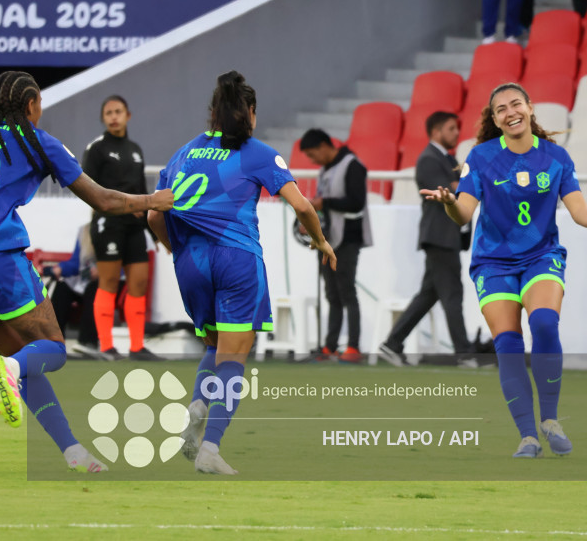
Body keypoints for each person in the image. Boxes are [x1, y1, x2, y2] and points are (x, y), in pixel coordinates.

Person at [0, 70, 174, 473]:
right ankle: (12, 371)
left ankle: (73, 451)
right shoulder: (39, 141)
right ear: (32, 103)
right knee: (51, 350)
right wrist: (154, 199)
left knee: (19, 356)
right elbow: (105, 201)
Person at [420, 82, 587, 459]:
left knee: (545, 324)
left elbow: (578, 209)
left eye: (516, 104)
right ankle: (528, 436)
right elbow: (464, 213)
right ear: (496, 120)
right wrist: (449, 203)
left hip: (541, 256)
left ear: (530, 108)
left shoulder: (556, 158)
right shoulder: (480, 157)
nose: (510, 112)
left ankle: (550, 419)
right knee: (509, 346)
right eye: (501, 109)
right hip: (493, 262)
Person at [148, 71, 336, 475]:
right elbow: (302, 206)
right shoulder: (258, 153)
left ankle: (198, 406)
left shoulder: (184, 153)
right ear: (249, 112)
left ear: (213, 113)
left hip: (190, 263)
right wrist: (320, 240)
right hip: (236, 258)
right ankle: (210, 449)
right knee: (235, 356)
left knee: (216, 345)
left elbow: (153, 214)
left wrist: (173, 249)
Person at [379, 112, 475, 367]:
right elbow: (450, 192)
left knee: (429, 295)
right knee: (453, 294)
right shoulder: (429, 160)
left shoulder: (445, 158)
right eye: (451, 128)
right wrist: (461, 184)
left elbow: (461, 186)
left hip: (445, 236)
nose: (456, 133)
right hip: (440, 236)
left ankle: (392, 344)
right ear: (436, 132)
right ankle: (464, 353)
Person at [82, 96, 158, 361]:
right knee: (109, 282)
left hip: (135, 225)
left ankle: (136, 347)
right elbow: (87, 190)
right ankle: (106, 346)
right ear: (103, 118)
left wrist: (153, 229)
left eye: (118, 111)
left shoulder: (136, 149)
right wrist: (121, 205)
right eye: (109, 112)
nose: (114, 116)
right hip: (108, 223)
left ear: (128, 115)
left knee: (139, 282)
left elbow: (143, 192)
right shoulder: (96, 149)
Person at [299, 128, 371, 363]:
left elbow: (356, 202)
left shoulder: (353, 165)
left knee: (347, 292)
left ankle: (353, 346)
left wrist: (323, 203)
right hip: (327, 240)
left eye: (312, 154)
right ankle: (330, 345)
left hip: (348, 239)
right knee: (332, 294)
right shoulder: (326, 170)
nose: (312, 160)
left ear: (323, 146)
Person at [41, 215, 102, 359]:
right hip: (84, 278)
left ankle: (88, 343)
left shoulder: (119, 229)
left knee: (93, 289)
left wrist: (103, 271)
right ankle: (55, 342)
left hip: (104, 281)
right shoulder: (85, 230)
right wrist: (58, 269)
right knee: (62, 288)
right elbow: (76, 264)